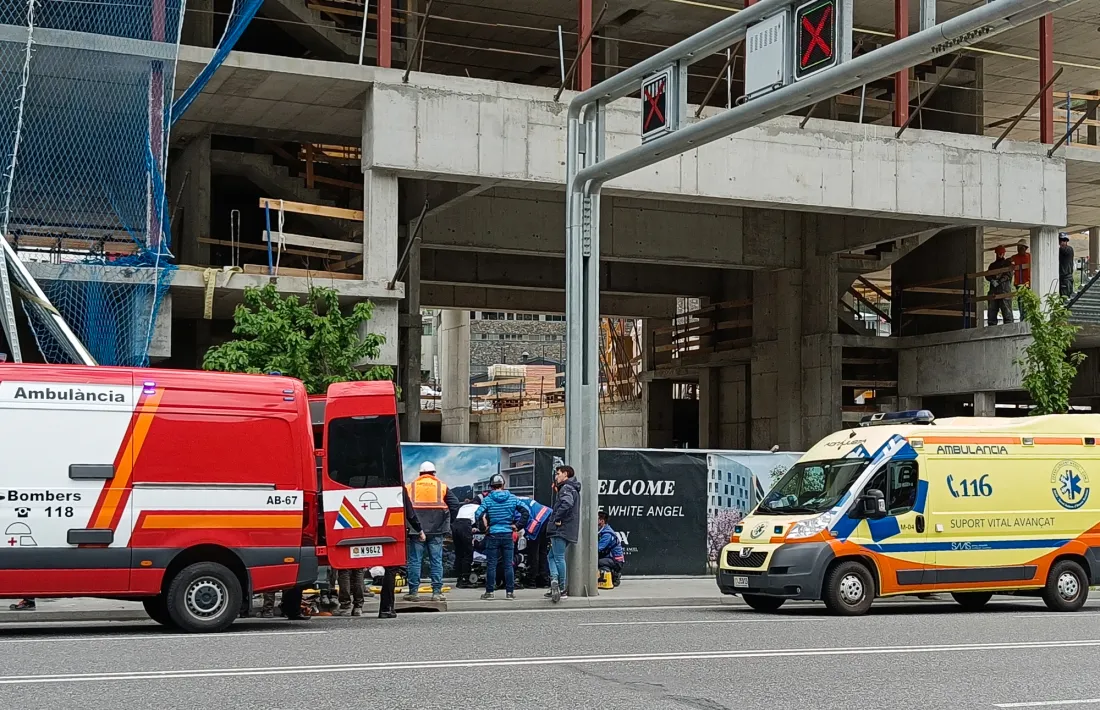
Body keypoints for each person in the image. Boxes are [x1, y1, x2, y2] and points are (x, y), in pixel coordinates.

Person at [404, 461, 459, 602]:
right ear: (434, 473)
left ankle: (413, 593)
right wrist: (448, 521)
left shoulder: (410, 487)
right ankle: (436, 593)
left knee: (415, 561)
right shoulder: (441, 486)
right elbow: (455, 504)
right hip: (437, 530)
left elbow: (403, 506)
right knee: (436, 560)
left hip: (416, 530)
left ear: (420, 473)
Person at [475, 474, 530, 600]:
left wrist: (484, 529)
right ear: (503, 485)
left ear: (491, 486)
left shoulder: (488, 500)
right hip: (507, 534)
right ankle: (509, 592)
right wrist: (517, 526)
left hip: (493, 534)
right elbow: (526, 511)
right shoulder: (512, 498)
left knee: (491, 564)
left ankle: (489, 592)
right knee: (508, 565)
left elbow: (478, 514)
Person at [380, 486, 422, 619]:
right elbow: (410, 513)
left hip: (371, 531)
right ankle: (386, 608)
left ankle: (351, 604)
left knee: (354, 569)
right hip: (392, 532)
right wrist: (419, 529)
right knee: (391, 569)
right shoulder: (397, 486)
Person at [546, 464, 581, 603]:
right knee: (551, 556)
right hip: (568, 529)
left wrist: (557, 518)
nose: (556, 476)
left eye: (558, 473)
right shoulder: (572, 488)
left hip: (560, 529)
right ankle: (555, 582)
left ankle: (561, 587)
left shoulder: (566, 488)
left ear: (565, 474)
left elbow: (567, 503)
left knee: (558, 557)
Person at [453, 496, 479, 588]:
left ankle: (459, 579)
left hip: (455, 525)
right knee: (468, 553)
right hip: (465, 525)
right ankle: (466, 579)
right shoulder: (478, 507)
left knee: (459, 553)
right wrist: (477, 528)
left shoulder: (464, 506)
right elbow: (481, 520)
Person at [986, 245, 1014, 326]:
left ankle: (1009, 330)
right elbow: (987, 274)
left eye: (1001, 253)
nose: (1000, 254)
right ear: (996, 253)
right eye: (999, 253)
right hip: (994, 292)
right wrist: (992, 280)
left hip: (1004, 292)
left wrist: (999, 281)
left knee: (1007, 314)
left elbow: (1009, 275)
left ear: (1004, 253)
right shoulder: (992, 265)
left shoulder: (1008, 264)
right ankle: (991, 331)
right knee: (992, 314)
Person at [597, 511, 626, 587]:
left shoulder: (607, 534)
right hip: (609, 558)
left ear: (602, 521)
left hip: (616, 561)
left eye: (596, 519)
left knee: (594, 562)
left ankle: (615, 576)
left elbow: (597, 549)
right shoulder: (602, 530)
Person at [1060, 233, 1075, 298]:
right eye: (1060, 240)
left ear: (1066, 241)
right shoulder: (1061, 250)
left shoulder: (1069, 249)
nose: (1061, 242)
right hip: (1064, 278)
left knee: (1065, 297)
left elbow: (1063, 250)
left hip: (1066, 278)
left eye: (1064, 240)